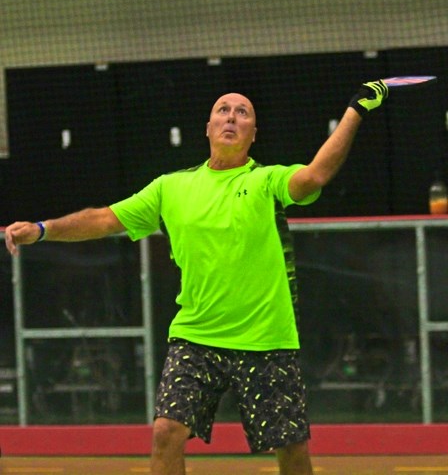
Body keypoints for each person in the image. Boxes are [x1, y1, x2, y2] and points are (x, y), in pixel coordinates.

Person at [5, 80, 388, 475]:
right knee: (166, 431)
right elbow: (104, 219)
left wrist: (355, 110)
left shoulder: (267, 181)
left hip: (267, 339)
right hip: (196, 338)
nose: (231, 117)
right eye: (223, 109)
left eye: (243, 113)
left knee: (291, 450)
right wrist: (42, 228)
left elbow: (314, 177)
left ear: (253, 135)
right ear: (207, 127)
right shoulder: (171, 187)